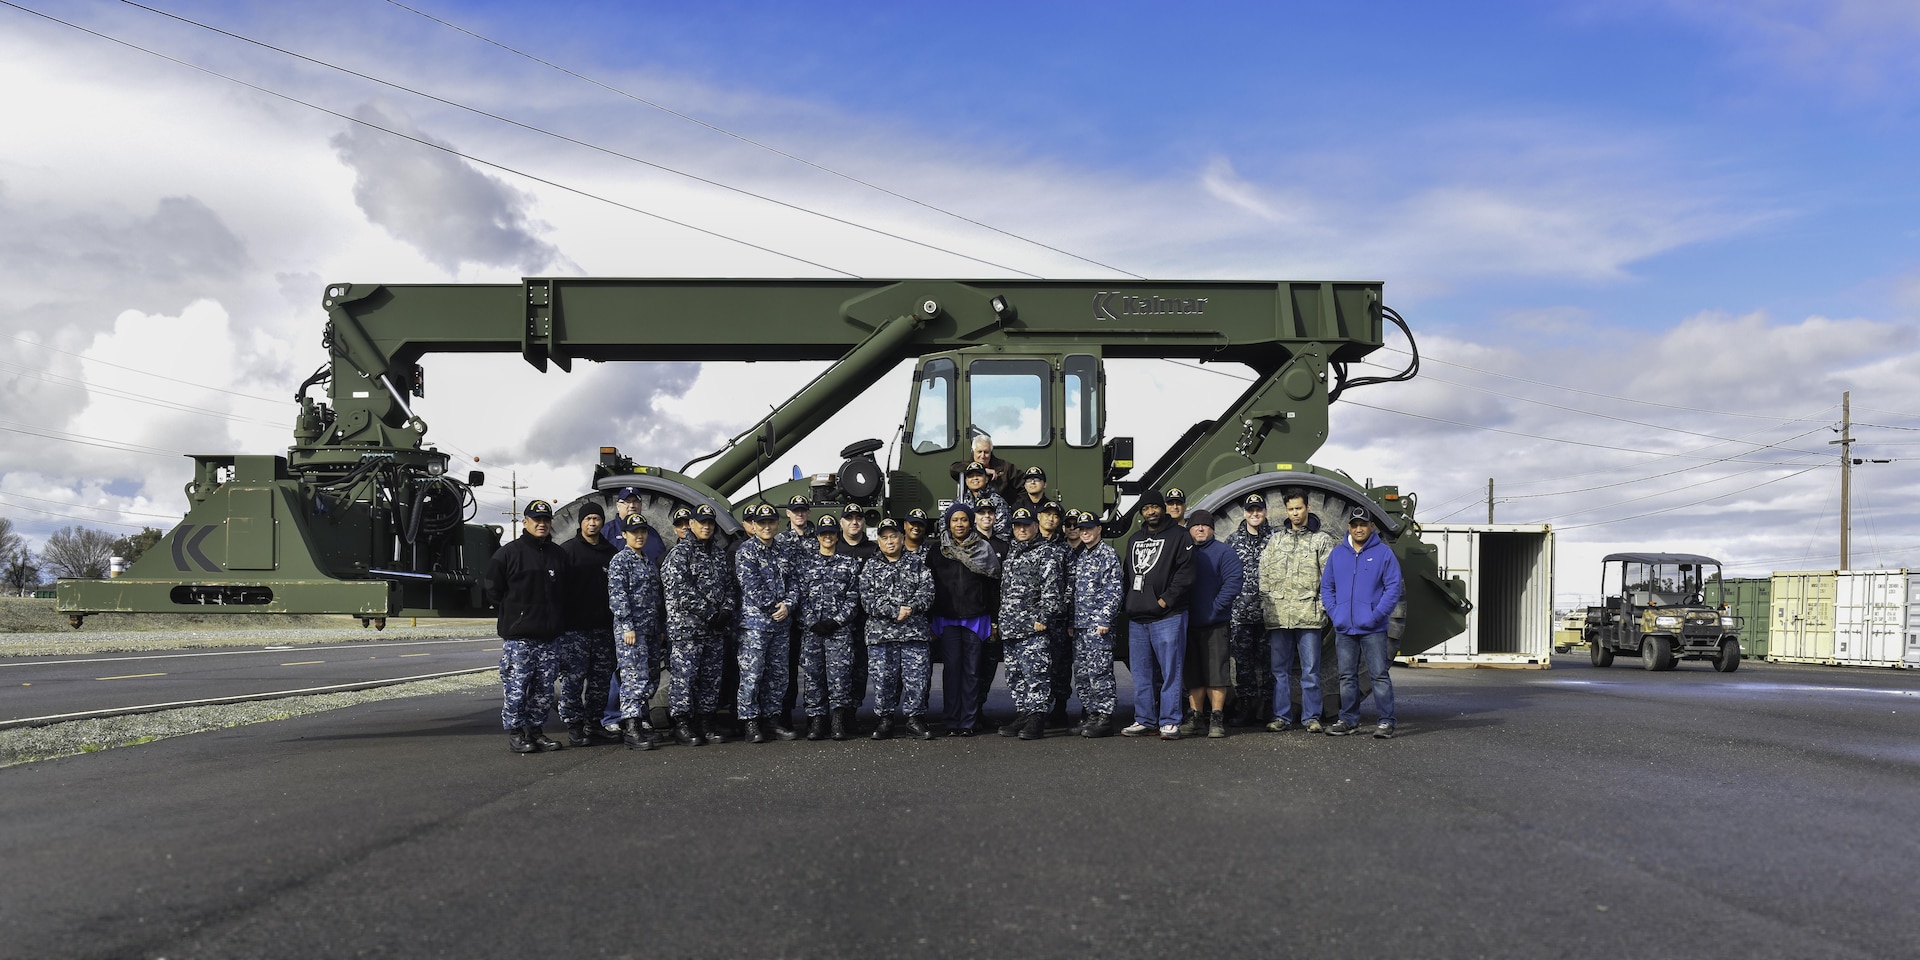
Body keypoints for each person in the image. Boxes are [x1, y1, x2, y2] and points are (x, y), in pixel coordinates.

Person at [485, 500, 568, 754]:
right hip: (520, 637)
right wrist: (518, 614)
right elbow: (493, 590)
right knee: (517, 687)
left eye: (545, 520)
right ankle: (517, 733)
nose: (541, 524)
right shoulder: (508, 554)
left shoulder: (558, 555)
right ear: (525, 522)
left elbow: (566, 592)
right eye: (536, 520)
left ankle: (536, 731)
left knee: (544, 689)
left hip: (549, 636)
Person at [1320, 507, 1404, 739]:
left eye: (1363, 524)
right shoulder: (1338, 554)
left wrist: (1376, 616)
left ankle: (1386, 721)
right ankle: (1349, 720)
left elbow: (1393, 588)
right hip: (1345, 628)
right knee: (1346, 676)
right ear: (1349, 527)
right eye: (1355, 524)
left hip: (1373, 629)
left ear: (1372, 527)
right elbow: (1327, 587)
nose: (1359, 528)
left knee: (1378, 675)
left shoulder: (1384, 554)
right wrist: (1336, 614)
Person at [1120, 490, 1196, 740]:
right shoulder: (1134, 539)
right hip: (1138, 618)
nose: (1150, 512)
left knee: (1170, 672)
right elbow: (1128, 575)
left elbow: (1185, 575)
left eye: (1154, 507)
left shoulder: (1180, 536)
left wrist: (1164, 601)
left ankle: (1170, 721)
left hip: (1168, 616)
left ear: (1162, 508)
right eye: (1145, 508)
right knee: (1141, 674)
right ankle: (1144, 719)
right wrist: (1130, 603)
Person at [1261, 490, 1337, 733]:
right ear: (1286, 511)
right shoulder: (1276, 541)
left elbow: (1330, 579)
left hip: (1309, 617)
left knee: (1310, 671)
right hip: (1280, 617)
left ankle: (1311, 718)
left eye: (1299, 508)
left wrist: (1322, 607)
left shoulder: (1321, 540)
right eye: (1291, 509)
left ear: (1307, 507)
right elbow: (1263, 573)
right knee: (1279, 672)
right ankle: (1281, 716)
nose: (1295, 513)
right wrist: (1267, 602)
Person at [662, 503, 737, 746]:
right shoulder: (680, 554)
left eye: (710, 523)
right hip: (688, 630)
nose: (706, 527)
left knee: (710, 679)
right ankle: (682, 725)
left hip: (714, 630)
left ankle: (706, 722)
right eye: (701, 522)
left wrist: (726, 609)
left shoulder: (717, 554)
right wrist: (710, 613)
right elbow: (680, 589)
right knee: (685, 679)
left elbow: (729, 585)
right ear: (691, 525)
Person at [927, 503, 1001, 736]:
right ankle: (951, 722)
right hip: (946, 620)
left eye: (964, 520)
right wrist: (929, 620)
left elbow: (993, 588)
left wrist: (994, 620)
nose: (959, 524)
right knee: (951, 671)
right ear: (948, 523)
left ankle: (968, 722)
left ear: (971, 523)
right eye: (955, 520)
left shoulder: (984, 549)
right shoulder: (937, 551)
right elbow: (929, 588)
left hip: (976, 619)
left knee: (971, 672)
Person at [860, 518, 937, 740]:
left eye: (894, 536)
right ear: (878, 540)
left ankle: (915, 719)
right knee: (883, 679)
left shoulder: (917, 564)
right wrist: (894, 611)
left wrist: (910, 607)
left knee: (918, 678)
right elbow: (866, 599)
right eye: (884, 538)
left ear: (902, 538)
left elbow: (928, 592)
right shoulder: (871, 567)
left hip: (913, 633)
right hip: (881, 635)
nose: (890, 541)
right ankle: (885, 719)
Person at [995, 507, 1065, 740]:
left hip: (1033, 628)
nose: (1021, 529)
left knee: (1036, 674)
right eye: (1017, 526)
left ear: (1036, 527)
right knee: (1016, 675)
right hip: (1011, 627)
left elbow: (1052, 592)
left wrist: (1043, 619)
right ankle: (1024, 712)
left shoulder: (1046, 553)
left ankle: (1037, 717)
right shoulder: (1013, 553)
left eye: (1026, 525)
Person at [556, 502, 621, 746]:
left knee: (601, 681)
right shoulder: (567, 552)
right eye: (588, 519)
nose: (592, 523)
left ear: (602, 522)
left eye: (596, 518)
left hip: (604, 629)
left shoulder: (610, 553)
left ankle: (594, 723)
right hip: (574, 630)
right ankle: (574, 725)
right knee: (573, 679)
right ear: (581, 522)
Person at [734, 503, 798, 744]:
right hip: (756, 625)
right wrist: (775, 608)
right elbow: (751, 586)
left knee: (778, 675)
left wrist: (788, 605)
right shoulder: (746, 551)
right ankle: (750, 721)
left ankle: (772, 719)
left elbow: (795, 582)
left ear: (778, 524)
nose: (767, 527)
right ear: (753, 525)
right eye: (761, 523)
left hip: (781, 624)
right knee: (752, 674)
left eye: (771, 522)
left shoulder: (784, 551)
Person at [797, 513, 864, 740]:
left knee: (840, 676)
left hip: (839, 631)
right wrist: (811, 622)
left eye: (831, 534)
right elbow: (800, 598)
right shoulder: (806, 565)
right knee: (814, 676)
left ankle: (838, 720)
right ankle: (817, 721)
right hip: (813, 631)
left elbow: (853, 598)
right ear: (818, 537)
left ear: (837, 536)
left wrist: (836, 621)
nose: (828, 537)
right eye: (823, 534)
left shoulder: (849, 564)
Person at [1179, 509, 1243, 739]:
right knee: (1193, 674)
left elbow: (1233, 582)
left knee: (1216, 673)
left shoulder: (1224, 553)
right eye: (1196, 526)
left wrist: (1215, 609)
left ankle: (1216, 718)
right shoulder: (1184, 553)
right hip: (1188, 623)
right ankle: (1195, 716)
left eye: (1205, 525)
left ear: (1212, 529)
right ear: (1190, 529)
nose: (1200, 529)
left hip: (1215, 624)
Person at [607, 520, 663, 749]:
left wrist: (658, 629)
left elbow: (655, 600)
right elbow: (618, 597)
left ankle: (640, 722)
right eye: (634, 532)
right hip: (632, 632)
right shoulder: (620, 561)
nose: (639, 536)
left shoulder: (648, 562)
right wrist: (627, 626)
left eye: (642, 532)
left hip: (649, 630)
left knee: (649, 677)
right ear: (624, 535)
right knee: (632, 678)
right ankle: (631, 727)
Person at [1067, 510, 1121, 737]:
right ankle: (1091, 714)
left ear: (1099, 529)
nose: (1085, 532)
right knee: (1082, 673)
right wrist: (1071, 621)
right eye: (1082, 529)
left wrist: (1104, 619)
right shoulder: (1083, 556)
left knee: (1100, 672)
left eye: (1089, 528)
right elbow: (1076, 593)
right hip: (1080, 626)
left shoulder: (1107, 555)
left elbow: (1114, 591)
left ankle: (1104, 717)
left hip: (1098, 626)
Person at [1224, 493, 1274, 726]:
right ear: (1244, 513)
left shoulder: (1275, 539)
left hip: (1268, 614)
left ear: (1264, 512)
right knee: (1243, 664)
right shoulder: (1233, 541)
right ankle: (1246, 706)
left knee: (1269, 663)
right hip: (1241, 614)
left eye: (1259, 509)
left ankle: (1267, 707)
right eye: (1251, 510)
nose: (1255, 513)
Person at [1035, 500, 1075, 727]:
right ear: (1038, 517)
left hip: (1058, 619)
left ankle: (1060, 708)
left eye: (1055, 516)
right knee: (1036, 666)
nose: (1051, 518)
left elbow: (1071, 583)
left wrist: (1064, 609)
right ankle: (1036, 710)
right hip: (1034, 618)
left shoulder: (1064, 549)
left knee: (1060, 664)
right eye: (1046, 514)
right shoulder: (1028, 544)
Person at [949, 431, 1017, 499]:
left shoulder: (1006, 467)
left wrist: (1014, 507)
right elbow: (953, 469)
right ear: (973, 452)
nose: (982, 456)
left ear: (991, 452)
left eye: (986, 452)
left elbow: (1023, 487)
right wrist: (982, 470)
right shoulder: (964, 466)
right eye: (979, 452)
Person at [956, 462, 1010, 540]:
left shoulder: (998, 501)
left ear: (986, 479)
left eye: (979, 475)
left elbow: (1004, 531)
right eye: (971, 476)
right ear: (966, 481)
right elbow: (945, 526)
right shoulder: (959, 502)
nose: (975, 478)